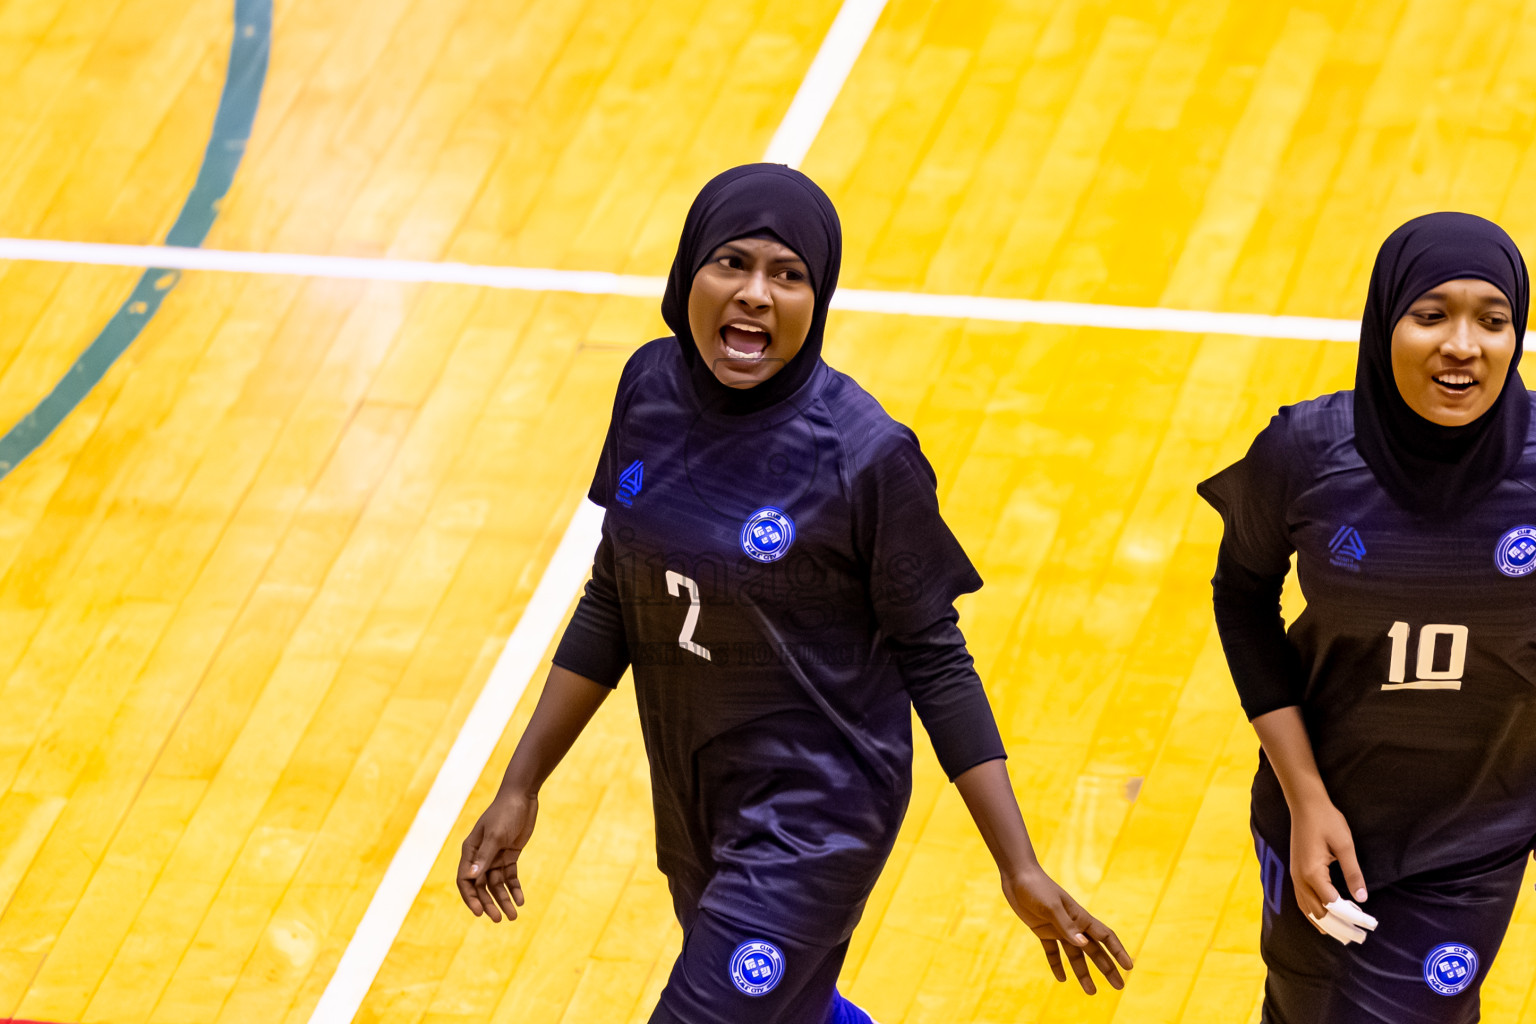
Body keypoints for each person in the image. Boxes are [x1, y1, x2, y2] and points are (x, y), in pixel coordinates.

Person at [456, 163, 1133, 1024]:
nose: (754, 295)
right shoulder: (648, 389)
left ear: (819, 300)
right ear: (686, 274)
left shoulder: (863, 454)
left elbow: (938, 660)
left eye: (788, 276)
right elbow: (611, 596)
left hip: (820, 814)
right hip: (696, 791)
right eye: (730, 264)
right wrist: (523, 783)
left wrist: (1019, 865)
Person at [1199, 211, 1536, 1023]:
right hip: (1324, 814)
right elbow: (1241, 596)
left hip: (1478, 829)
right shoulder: (1309, 452)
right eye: (1432, 315)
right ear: (1385, 321)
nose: (1463, 345)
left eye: (1493, 321)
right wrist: (1306, 797)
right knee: (1305, 1011)